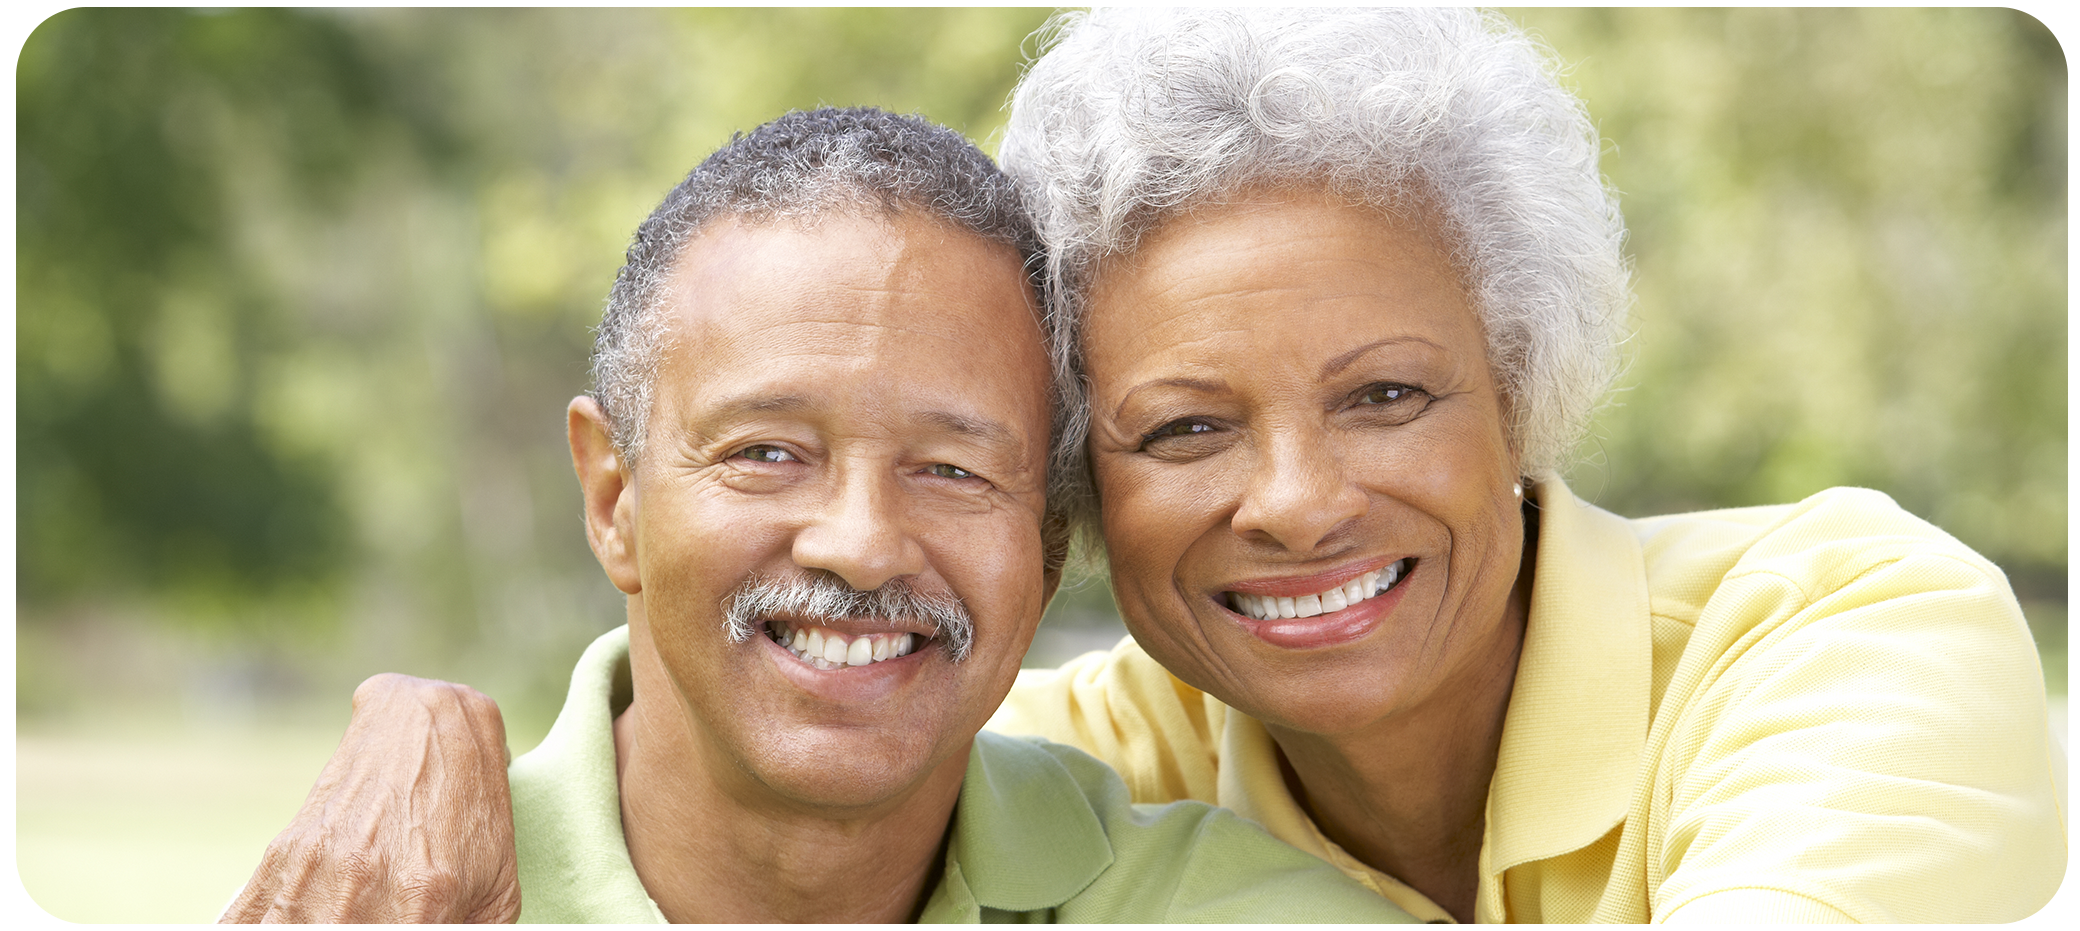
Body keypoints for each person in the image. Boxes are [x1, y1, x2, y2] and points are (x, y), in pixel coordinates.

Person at [229, 9, 2068, 924]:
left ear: (1526, 393)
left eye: (1385, 397)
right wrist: (431, 720)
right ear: (1079, 499)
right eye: (1183, 427)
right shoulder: (1080, 773)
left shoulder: (1841, 634)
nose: (1290, 497)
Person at [222, 105, 1416, 924]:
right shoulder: (375, 897)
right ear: (614, 497)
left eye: (952, 469)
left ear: (1048, 542)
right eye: (767, 452)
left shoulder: (1237, 912)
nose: (857, 542)